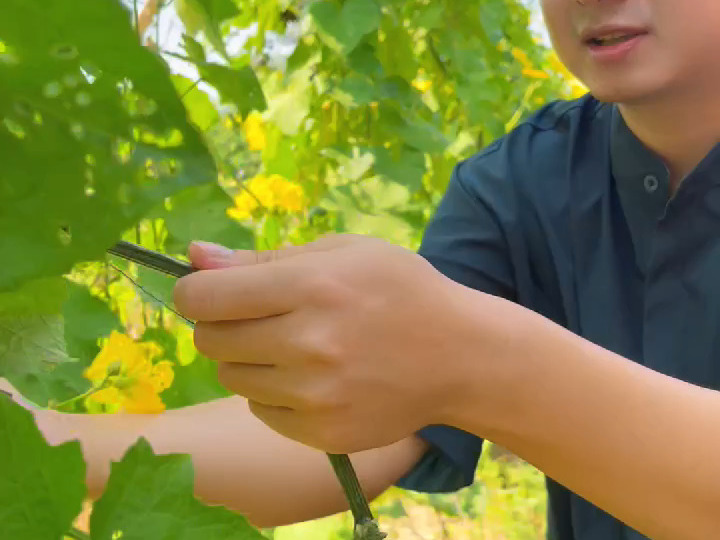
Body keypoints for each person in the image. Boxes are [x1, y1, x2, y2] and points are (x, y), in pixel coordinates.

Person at [6, 0, 720, 538]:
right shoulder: (522, 182)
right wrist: (33, 440)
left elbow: (442, 365)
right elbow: (363, 425)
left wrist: (478, 363)